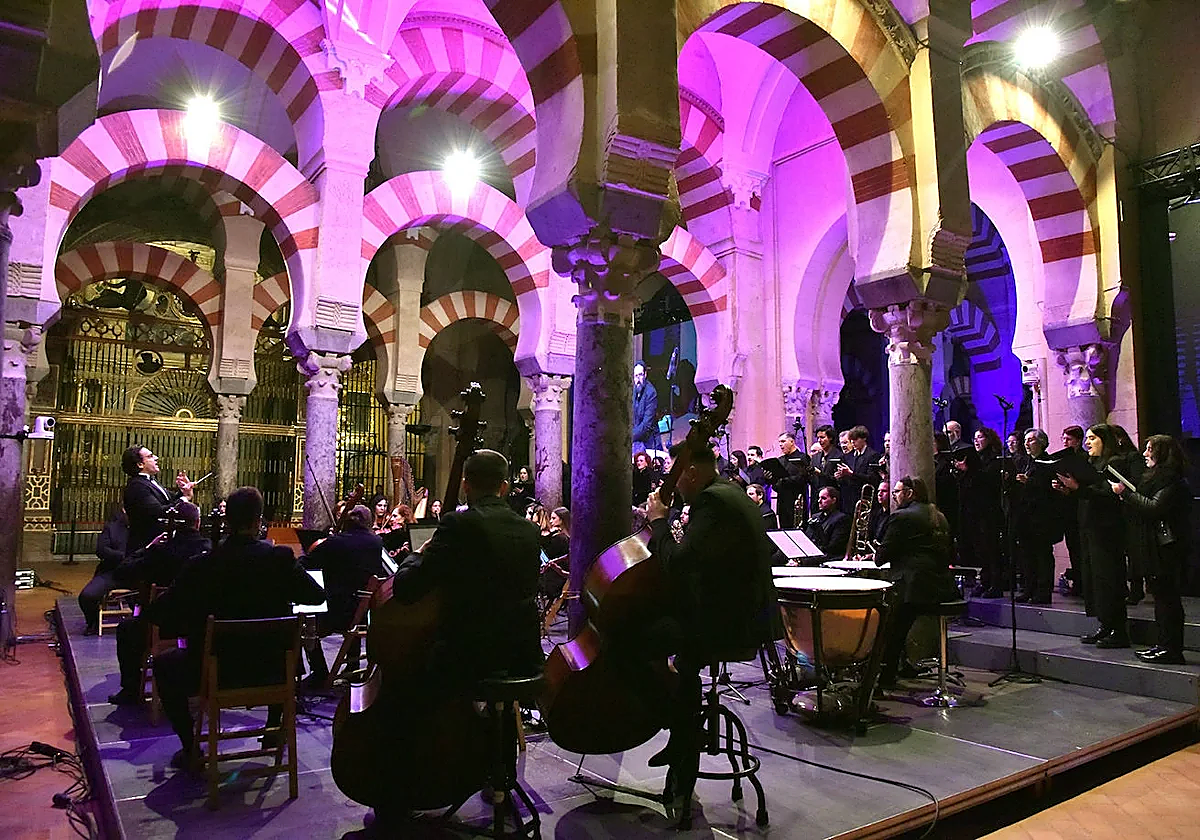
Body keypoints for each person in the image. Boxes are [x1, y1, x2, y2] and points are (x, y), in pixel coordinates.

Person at [148, 487, 325, 766]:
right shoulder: (279, 560)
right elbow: (316, 596)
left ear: (226, 521)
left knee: (163, 666)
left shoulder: (202, 565)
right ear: (259, 521)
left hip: (214, 672)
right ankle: (273, 729)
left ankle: (190, 747)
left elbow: (160, 613)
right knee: (284, 648)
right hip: (273, 673)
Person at [644, 441, 775, 819]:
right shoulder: (728, 493)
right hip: (742, 615)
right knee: (667, 637)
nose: (675, 484)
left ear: (691, 473)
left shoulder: (711, 502)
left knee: (645, 637)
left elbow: (681, 562)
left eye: (676, 474)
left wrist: (658, 522)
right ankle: (678, 730)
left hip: (728, 624)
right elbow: (709, 560)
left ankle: (680, 739)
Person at [390, 450, 543, 686]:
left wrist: (417, 554)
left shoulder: (456, 524)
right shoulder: (529, 530)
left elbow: (407, 589)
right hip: (522, 656)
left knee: (407, 676)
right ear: (503, 487)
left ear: (465, 485)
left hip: (467, 658)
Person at [107, 502, 212, 706]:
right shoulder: (208, 550)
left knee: (127, 629)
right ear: (198, 523)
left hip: (163, 626)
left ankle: (130, 689)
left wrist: (148, 547)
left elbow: (122, 571)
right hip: (199, 627)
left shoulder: (161, 551)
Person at [1111, 435, 1191, 664]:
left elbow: (1154, 508)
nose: (1145, 454)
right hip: (1156, 547)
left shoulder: (1171, 481)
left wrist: (1124, 493)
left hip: (1167, 549)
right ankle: (1164, 645)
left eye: (1149, 449)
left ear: (1163, 453)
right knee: (1161, 598)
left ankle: (1171, 648)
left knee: (1168, 600)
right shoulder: (1157, 478)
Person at [873, 477, 959, 688]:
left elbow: (880, 558)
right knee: (897, 625)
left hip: (914, 589)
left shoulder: (902, 517)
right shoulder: (939, 516)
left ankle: (885, 677)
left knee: (888, 628)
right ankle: (903, 666)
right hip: (942, 588)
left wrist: (880, 550)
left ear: (910, 493)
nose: (894, 496)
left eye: (897, 491)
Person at [1054, 424, 1128, 648]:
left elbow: (1111, 494)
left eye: (1092, 438)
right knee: (1094, 579)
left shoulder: (1115, 463)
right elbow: (1088, 493)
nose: (1087, 442)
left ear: (1105, 440)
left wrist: (1078, 487)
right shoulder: (1090, 463)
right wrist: (1069, 490)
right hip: (1088, 525)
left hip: (1106, 529)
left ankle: (1118, 630)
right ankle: (1104, 624)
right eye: (1086, 438)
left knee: (1109, 579)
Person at [300, 504, 386, 684]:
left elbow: (306, 563)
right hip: (364, 614)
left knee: (305, 621)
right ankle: (353, 668)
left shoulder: (337, 542)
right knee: (352, 600)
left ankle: (319, 671)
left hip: (338, 614)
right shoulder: (376, 543)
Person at [121, 445, 195, 556]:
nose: (156, 458)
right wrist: (185, 498)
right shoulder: (137, 486)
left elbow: (170, 501)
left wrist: (184, 491)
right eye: (150, 456)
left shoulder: (150, 481)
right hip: (146, 548)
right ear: (140, 464)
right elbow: (158, 512)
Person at [1012, 429, 1057, 604]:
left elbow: (1048, 489)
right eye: (1025, 440)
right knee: (1026, 554)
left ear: (1041, 442)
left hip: (1042, 517)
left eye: (1031, 440)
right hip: (1025, 516)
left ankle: (1043, 591)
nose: (1026, 443)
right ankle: (1028, 588)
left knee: (1042, 555)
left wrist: (1028, 482)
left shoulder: (1048, 462)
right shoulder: (1026, 462)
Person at [959, 427, 1004, 597]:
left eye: (980, 438)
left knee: (991, 549)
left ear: (989, 439)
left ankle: (996, 584)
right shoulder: (976, 460)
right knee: (981, 549)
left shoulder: (994, 459)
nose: (976, 441)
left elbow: (987, 482)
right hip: (975, 510)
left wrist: (969, 470)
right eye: (975, 438)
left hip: (989, 510)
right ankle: (985, 581)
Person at [77, 506, 130, 635]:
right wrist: (124, 557)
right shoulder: (111, 528)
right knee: (87, 596)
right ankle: (93, 623)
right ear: (123, 510)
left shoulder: (146, 527)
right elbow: (101, 550)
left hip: (137, 572)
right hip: (112, 572)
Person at [1058, 425, 1086, 594]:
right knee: (1073, 548)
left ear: (1078, 440)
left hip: (1081, 508)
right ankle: (1078, 583)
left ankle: (1084, 585)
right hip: (1069, 509)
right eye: (1063, 439)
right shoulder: (1065, 459)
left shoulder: (1083, 458)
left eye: (1068, 439)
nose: (1065, 442)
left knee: (1082, 548)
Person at [834, 426, 881, 510]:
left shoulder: (872, 455)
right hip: (849, 499)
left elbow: (872, 478)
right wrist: (840, 476)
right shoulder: (849, 456)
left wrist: (851, 474)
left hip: (864, 498)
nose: (853, 442)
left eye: (855, 440)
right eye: (851, 440)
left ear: (864, 439)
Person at [771, 431, 811, 529]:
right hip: (782, 503)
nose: (780, 444)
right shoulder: (779, 460)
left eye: (783, 441)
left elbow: (803, 478)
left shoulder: (803, 457)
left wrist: (783, 481)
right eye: (779, 442)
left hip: (796, 500)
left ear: (792, 442)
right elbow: (775, 484)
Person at [804, 485, 851, 558]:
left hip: (828, 556)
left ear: (833, 500)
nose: (819, 501)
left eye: (823, 498)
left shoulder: (842, 519)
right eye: (819, 498)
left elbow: (833, 547)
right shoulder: (815, 517)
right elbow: (807, 539)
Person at [539, 507, 571, 598]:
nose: (550, 521)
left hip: (555, 576)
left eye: (554, 518)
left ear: (562, 520)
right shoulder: (564, 536)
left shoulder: (560, 538)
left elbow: (549, 554)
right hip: (557, 572)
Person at [632, 361, 661, 456]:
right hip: (636, 439)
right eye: (636, 376)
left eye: (640, 375)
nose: (638, 379)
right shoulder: (633, 391)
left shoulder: (651, 393)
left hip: (650, 442)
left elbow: (646, 425)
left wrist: (629, 437)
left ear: (645, 374)